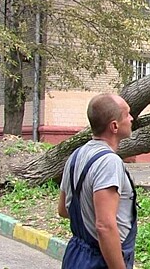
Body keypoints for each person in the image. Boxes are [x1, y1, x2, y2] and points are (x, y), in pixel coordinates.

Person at [58, 93, 137, 269]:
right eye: (127, 114)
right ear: (114, 126)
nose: (131, 119)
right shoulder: (109, 162)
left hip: (75, 255)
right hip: (99, 260)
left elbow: (63, 209)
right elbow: (105, 226)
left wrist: (87, 217)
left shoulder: (76, 155)